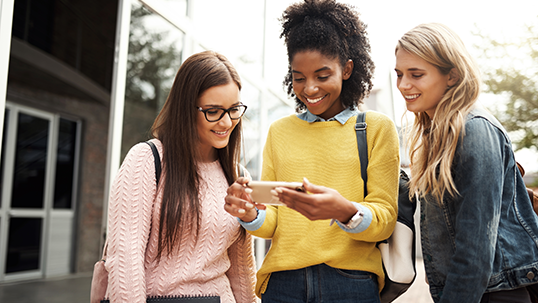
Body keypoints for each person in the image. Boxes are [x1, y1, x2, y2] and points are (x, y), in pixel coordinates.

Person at [224, 0, 400, 301]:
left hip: (350, 283)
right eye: (298, 77)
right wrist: (250, 212)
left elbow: (384, 221)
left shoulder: (375, 128)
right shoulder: (280, 131)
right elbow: (273, 223)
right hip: (283, 284)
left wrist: (343, 210)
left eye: (322, 75)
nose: (309, 89)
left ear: (346, 69)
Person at [395, 23, 538, 303]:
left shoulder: (474, 130)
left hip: (497, 294)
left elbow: (475, 248)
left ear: (452, 76)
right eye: (399, 74)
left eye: (416, 74)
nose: (403, 85)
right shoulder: (438, 134)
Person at [104, 50, 256, 303]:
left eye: (234, 109)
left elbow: (241, 269)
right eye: (213, 111)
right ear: (186, 108)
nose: (227, 122)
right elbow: (124, 260)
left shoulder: (237, 175)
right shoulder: (146, 159)